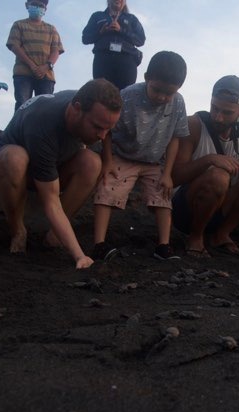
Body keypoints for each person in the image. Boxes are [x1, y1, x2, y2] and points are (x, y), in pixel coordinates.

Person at [0, 79, 122, 270]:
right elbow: (51, 200)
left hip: (53, 163)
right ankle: (17, 231)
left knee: (91, 162)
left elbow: (105, 127)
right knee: (15, 159)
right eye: (98, 127)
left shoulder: (92, 105)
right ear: (76, 109)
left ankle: (55, 235)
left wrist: (107, 160)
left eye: (108, 129)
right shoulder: (43, 123)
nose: (102, 136)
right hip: (13, 164)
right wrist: (79, 256)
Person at [92, 51, 189, 261]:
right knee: (107, 187)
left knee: (163, 196)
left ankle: (163, 246)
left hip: (154, 160)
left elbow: (175, 139)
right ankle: (99, 244)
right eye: (157, 90)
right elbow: (108, 130)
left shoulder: (178, 103)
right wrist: (107, 161)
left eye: (169, 93)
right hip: (124, 155)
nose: (162, 97)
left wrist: (168, 173)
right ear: (146, 78)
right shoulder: (127, 95)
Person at [171, 75, 239, 259]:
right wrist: (209, 159)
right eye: (214, 108)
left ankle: (222, 234)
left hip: (221, 207)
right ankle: (195, 238)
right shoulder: (194, 125)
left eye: (227, 112)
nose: (218, 117)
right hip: (185, 210)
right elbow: (174, 177)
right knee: (218, 176)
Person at [7, 0, 64, 111]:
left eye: (40, 5)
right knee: (22, 105)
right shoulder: (19, 24)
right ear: (27, 5)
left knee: (45, 108)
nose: (37, 7)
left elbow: (56, 51)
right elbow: (14, 46)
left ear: (45, 9)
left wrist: (46, 67)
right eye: (34, 4)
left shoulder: (51, 29)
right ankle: (19, 128)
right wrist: (32, 65)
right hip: (23, 73)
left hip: (46, 76)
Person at [82, 0, 146, 90]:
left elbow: (141, 40)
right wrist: (101, 32)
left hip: (126, 60)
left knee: (124, 94)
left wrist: (121, 30)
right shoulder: (97, 16)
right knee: (101, 93)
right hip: (103, 59)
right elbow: (85, 38)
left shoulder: (132, 19)